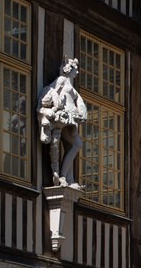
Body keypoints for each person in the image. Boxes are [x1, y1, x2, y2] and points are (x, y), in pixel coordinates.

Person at [37, 57, 87, 188]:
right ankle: (63, 176)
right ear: (68, 69)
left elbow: (78, 99)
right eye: (76, 69)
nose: (77, 71)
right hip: (64, 118)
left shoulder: (70, 84)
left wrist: (82, 110)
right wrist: (54, 108)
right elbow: (53, 92)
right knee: (76, 144)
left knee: (74, 145)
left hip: (71, 119)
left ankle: (69, 179)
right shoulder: (61, 80)